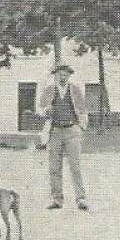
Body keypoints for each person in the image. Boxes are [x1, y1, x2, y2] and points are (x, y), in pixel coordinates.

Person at [37, 63, 88, 211]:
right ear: (55, 75)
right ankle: (57, 199)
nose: (62, 76)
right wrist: (46, 111)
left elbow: (83, 110)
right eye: (60, 74)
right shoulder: (49, 90)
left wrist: (81, 127)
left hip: (72, 131)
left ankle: (81, 199)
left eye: (65, 74)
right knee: (54, 167)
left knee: (75, 166)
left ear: (69, 76)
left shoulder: (75, 90)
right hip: (55, 132)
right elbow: (40, 109)